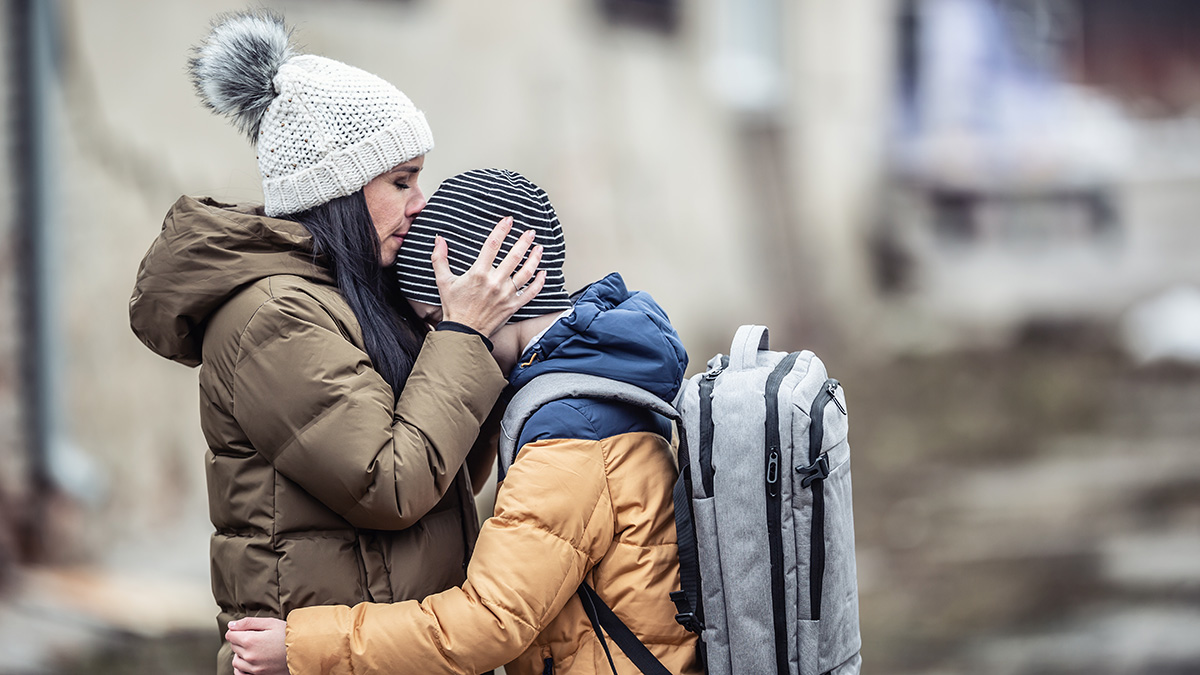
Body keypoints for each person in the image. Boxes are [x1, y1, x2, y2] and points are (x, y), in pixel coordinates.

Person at [128, 13, 545, 675]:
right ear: (338, 191)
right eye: (400, 181)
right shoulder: (275, 316)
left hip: (373, 648)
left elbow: (445, 481)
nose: (420, 203)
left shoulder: (347, 299)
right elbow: (393, 484)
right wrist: (461, 336)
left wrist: (475, 346)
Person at [225, 169, 701, 675]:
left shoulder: (571, 426)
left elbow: (490, 621)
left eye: (437, 319)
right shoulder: (598, 377)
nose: (439, 340)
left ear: (494, 290)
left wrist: (302, 647)